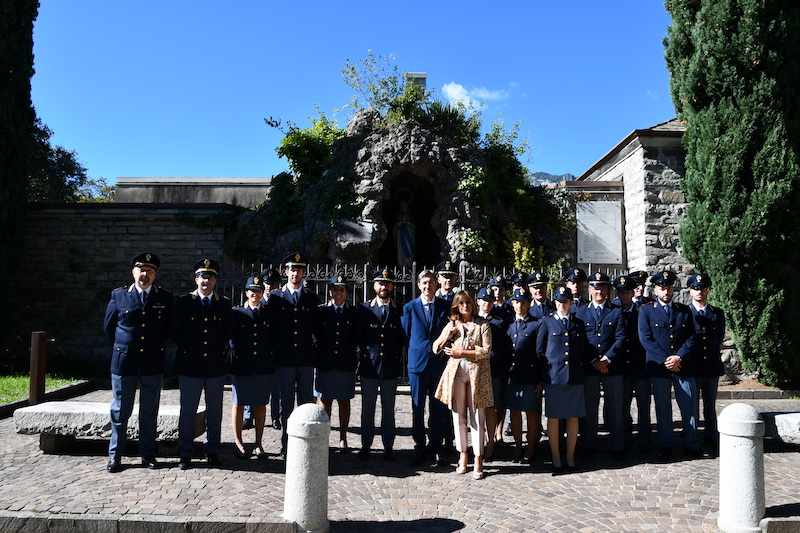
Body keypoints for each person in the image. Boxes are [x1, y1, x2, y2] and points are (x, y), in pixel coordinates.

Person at [103, 252, 173, 473]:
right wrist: (125, 346)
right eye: (141, 270)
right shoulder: (119, 296)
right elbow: (109, 328)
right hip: (125, 363)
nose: (145, 274)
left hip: (152, 362)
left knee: (149, 412)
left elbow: (169, 329)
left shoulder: (164, 298)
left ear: (155, 275)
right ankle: (115, 456)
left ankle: (148, 454)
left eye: (150, 271)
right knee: (120, 411)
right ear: (133, 272)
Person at [638, 270, 708, 460]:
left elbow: (692, 337)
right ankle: (666, 444)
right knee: (663, 407)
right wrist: (666, 360)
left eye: (669, 288)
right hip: (659, 367)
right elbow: (645, 339)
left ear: (673, 289)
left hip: (683, 366)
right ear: (655, 290)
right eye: (662, 288)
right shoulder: (646, 310)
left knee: (689, 406)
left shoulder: (684, 310)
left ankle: (691, 443)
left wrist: (678, 357)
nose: (666, 291)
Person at [172, 258, 232, 470]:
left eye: (210, 277)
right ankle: (186, 451)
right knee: (188, 411)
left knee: (215, 411)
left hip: (214, 365)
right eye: (202, 277)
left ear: (215, 280)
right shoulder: (183, 302)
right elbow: (175, 332)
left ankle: (212, 449)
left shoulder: (223, 303)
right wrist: (191, 350)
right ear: (196, 279)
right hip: (190, 365)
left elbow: (227, 332)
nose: (205, 281)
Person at [434, 291, 493, 480]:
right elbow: (436, 348)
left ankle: (478, 457)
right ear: (456, 306)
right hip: (457, 374)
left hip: (477, 376)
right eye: (461, 303)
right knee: (459, 415)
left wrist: (462, 352)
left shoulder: (482, 324)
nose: (465, 306)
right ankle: (462, 455)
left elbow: (486, 351)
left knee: (477, 416)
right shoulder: (453, 324)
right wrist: (448, 335)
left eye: (468, 302)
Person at [536, 286, 589, 474]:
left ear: (571, 303)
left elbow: (581, 349)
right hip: (554, 377)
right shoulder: (547, 323)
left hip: (574, 376)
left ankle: (570, 455)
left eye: (565, 301)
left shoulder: (578, 324)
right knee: (554, 417)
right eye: (558, 301)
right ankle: (556, 455)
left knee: (573, 417)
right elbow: (540, 352)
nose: (561, 304)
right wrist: (545, 376)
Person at [271, 252, 319, 456]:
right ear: (286, 272)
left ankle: (305, 444)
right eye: (292, 269)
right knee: (286, 404)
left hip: (306, 358)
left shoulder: (311, 297)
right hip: (285, 359)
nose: (295, 273)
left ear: (304, 273)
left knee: (307, 402)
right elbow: (271, 329)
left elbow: (316, 327)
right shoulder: (275, 297)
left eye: (299, 270)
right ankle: (287, 444)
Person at [574, 272, 626, 459]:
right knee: (590, 406)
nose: (599, 291)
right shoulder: (580, 311)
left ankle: (617, 445)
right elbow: (581, 341)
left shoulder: (616, 311)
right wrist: (594, 361)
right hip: (590, 366)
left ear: (608, 290)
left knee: (615, 407)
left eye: (603, 287)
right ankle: (589, 443)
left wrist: (606, 360)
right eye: (595, 287)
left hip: (612, 367)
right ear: (589, 290)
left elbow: (621, 338)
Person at [403, 268, 451, 467]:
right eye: (424, 283)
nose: (428, 286)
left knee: (438, 408)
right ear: (418, 285)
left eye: (431, 282)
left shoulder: (445, 306)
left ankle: (436, 446)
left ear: (436, 284)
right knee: (417, 408)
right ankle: (419, 446)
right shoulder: (410, 308)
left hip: (438, 364)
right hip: (418, 365)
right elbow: (406, 335)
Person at [358, 269, 406, 460]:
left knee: (389, 408)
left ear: (392, 286)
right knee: (367, 408)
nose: (383, 287)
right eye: (380, 283)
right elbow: (359, 336)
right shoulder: (364, 309)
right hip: (370, 366)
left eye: (387, 283)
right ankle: (366, 444)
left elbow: (403, 337)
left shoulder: (400, 309)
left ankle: (388, 444)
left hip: (390, 367)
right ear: (374, 286)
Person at [229, 275, 276, 460]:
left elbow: (273, 337)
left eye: (258, 290)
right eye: (252, 291)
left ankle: (258, 443)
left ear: (262, 292)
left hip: (263, 364)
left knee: (260, 404)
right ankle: (239, 442)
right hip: (242, 364)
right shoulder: (237, 313)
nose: (255, 294)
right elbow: (232, 337)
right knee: (239, 403)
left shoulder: (269, 313)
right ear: (246, 293)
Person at [314, 274, 360, 452]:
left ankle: (343, 437)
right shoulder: (322, 311)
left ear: (346, 292)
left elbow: (357, 336)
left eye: (341, 290)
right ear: (330, 291)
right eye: (335, 289)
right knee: (325, 401)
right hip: (326, 362)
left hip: (345, 362)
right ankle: (322, 436)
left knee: (344, 401)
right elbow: (315, 334)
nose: (338, 293)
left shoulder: (353, 312)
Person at [687, 273, 726, 450]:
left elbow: (718, 338)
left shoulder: (717, 313)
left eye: (702, 288)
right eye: (696, 288)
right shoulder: (685, 313)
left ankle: (711, 435)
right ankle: (692, 437)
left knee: (710, 405)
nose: (699, 291)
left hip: (711, 366)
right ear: (690, 291)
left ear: (707, 290)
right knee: (692, 405)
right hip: (693, 366)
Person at [613, 274, 651, 453]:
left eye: (628, 292)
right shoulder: (613, 310)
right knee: (621, 406)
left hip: (640, 365)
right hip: (621, 367)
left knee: (644, 404)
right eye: (621, 293)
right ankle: (624, 436)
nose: (625, 296)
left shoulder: (643, 310)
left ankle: (644, 438)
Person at [504, 287, 542, 464]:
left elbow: (540, 353)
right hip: (513, 376)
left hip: (530, 376)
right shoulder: (509, 325)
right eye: (516, 302)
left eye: (523, 302)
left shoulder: (536, 324)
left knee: (532, 412)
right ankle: (518, 445)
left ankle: (531, 446)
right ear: (512, 303)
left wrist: (541, 378)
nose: (519, 305)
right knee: (514, 412)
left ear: (529, 304)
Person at [476, 287, 511, 459]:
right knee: (476, 410)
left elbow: (501, 350)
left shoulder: (499, 322)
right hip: (475, 371)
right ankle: (478, 443)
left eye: (489, 301)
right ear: (478, 301)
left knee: (491, 408)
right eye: (483, 300)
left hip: (492, 371)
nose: (486, 304)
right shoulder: (472, 321)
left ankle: (491, 442)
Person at [258, 267, 283, 430]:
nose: (270, 286)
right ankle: (249, 416)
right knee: (254, 384)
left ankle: (275, 417)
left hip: (275, 349)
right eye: (267, 283)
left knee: (276, 388)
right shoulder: (255, 297)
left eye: (273, 283)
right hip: (258, 349)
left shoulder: (279, 301)